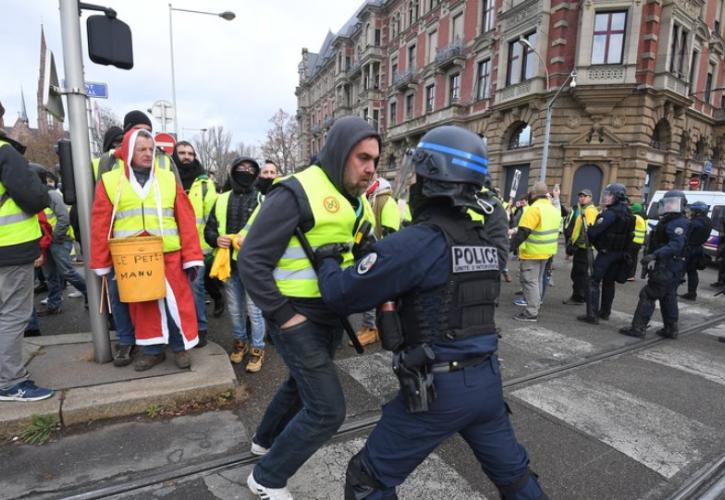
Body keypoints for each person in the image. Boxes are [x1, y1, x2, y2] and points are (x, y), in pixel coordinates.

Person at [316, 125, 548, 499]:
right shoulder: (487, 241)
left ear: (431, 180)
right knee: (515, 478)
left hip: (438, 390)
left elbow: (340, 294)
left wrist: (327, 258)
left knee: (366, 479)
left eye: (419, 176)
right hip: (486, 382)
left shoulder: (418, 242)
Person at [239, 116, 377, 499]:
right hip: (295, 314)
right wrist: (286, 316)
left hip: (329, 314)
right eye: (363, 158)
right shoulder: (295, 192)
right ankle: (267, 478)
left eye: (374, 161)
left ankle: (264, 441)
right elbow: (251, 261)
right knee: (328, 410)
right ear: (338, 153)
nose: (370, 169)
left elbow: (356, 250)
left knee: (300, 385)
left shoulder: (356, 199)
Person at [90, 129, 202, 370]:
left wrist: (191, 256)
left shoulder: (168, 178)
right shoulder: (110, 181)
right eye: (141, 149)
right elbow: (100, 223)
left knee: (177, 303)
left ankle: (180, 347)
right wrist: (101, 261)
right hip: (131, 257)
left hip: (168, 253)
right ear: (129, 151)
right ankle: (152, 351)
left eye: (151, 149)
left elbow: (185, 217)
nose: (148, 154)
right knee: (144, 305)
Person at [0, 134, 54, 401]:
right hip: (9, 249)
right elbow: (34, 198)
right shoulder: (4, 152)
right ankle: (11, 382)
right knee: (12, 315)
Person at [205, 157, 267, 371]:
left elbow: (271, 232)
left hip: (253, 266)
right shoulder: (221, 200)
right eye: (242, 168)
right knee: (234, 309)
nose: (246, 172)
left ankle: (258, 349)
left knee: (255, 311)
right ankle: (240, 343)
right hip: (228, 265)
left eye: (251, 169)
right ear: (233, 172)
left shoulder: (262, 199)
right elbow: (209, 229)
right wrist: (216, 239)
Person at [619, 190, 689, 339]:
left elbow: (675, 245)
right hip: (670, 266)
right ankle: (671, 329)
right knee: (668, 296)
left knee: (648, 294)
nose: (670, 206)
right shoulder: (669, 220)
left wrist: (655, 255)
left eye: (673, 203)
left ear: (681, 205)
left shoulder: (678, 222)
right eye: (668, 203)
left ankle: (638, 328)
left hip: (667, 265)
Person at [174, 141, 218, 346]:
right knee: (175, 291)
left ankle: (200, 329)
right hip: (171, 245)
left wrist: (210, 246)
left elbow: (212, 217)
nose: (186, 156)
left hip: (196, 248)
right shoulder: (167, 180)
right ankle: (179, 329)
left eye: (190, 153)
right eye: (182, 152)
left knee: (195, 289)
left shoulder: (204, 184)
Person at [34, 164, 88, 316]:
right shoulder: (35, 197)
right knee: (50, 275)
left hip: (58, 240)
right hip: (46, 242)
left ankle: (90, 295)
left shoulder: (51, 196)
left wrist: (55, 237)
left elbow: (63, 218)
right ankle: (54, 304)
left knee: (66, 271)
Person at [577, 183, 634, 324]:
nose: (606, 197)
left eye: (609, 195)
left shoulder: (610, 214)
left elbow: (594, 232)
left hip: (606, 253)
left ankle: (592, 315)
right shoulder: (628, 212)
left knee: (593, 282)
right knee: (609, 283)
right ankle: (605, 312)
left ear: (617, 197)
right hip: (620, 254)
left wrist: (590, 230)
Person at [355, 176, 401, 347]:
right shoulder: (372, 199)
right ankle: (369, 326)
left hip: (380, 255)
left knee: (373, 292)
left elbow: (391, 232)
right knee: (368, 291)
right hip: (372, 253)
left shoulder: (385, 201)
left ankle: (373, 329)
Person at [510, 182, 561, 322]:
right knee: (537, 281)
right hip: (547, 252)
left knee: (530, 281)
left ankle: (531, 313)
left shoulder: (534, 209)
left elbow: (523, 233)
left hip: (532, 252)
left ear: (533, 195)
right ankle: (535, 307)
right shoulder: (553, 209)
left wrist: (509, 248)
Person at [562, 189, 598, 304]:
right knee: (578, 273)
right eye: (580, 196)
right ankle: (581, 296)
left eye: (585, 196)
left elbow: (587, 230)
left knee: (580, 274)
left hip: (584, 247)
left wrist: (576, 244)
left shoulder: (590, 211)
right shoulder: (582, 209)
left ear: (590, 198)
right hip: (581, 247)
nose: (582, 198)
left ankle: (579, 297)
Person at [679, 201, 712, 300]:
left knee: (679, 270)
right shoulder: (708, 221)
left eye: (693, 210)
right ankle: (692, 293)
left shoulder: (694, 222)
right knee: (692, 272)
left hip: (689, 249)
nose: (691, 212)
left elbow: (685, 236)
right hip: (699, 248)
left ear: (698, 211)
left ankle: (670, 292)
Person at [627, 203, 646, 281]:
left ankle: (628, 274)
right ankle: (631, 275)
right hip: (639, 242)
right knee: (634, 259)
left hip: (633, 241)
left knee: (629, 258)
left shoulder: (635, 217)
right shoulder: (641, 218)